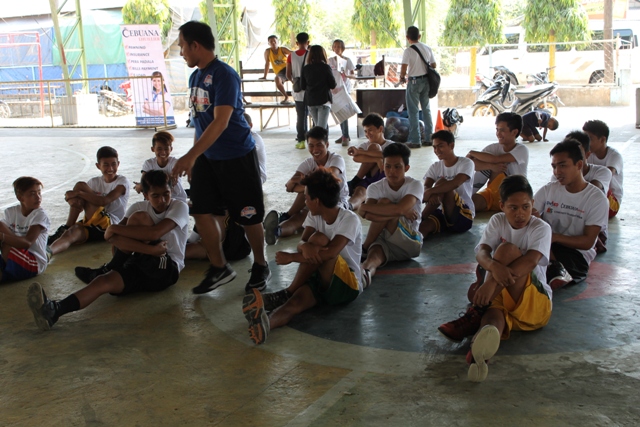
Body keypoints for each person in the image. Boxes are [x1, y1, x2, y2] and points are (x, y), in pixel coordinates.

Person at [172, 21, 270, 294]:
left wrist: (190, 155)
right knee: (200, 211)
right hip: (207, 157)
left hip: (236, 156)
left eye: (182, 46)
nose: (181, 52)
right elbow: (200, 123)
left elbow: (221, 121)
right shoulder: (195, 78)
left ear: (195, 45)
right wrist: (195, 157)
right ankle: (219, 267)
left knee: (249, 215)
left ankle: (261, 264)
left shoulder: (225, 75)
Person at [28, 170, 189, 330]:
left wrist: (113, 228)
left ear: (171, 191)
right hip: (142, 260)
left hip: (166, 267)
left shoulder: (179, 206)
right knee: (103, 281)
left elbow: (154, 233)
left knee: (139, 218)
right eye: (156, 196)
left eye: (166, 194)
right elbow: (113, 240)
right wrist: (150, 250)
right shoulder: (138, 206)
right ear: (146, 195)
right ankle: (54, 310)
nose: (162, 200)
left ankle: (111, 266)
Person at [438, 175, 553, 382]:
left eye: (526, 207)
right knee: (492, 321)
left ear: (533, 204)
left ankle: (476, 311)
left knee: (506, 250)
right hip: (503, 297)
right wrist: (493, 267)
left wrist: (490, 282)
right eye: (513, 208)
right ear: (501, 206)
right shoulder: (497, 220)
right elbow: (481, 253)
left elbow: (530, 262)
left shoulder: (541, 228)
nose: (520, 214)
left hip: (536, 305)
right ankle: (479, 355)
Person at [242, 169, 363, 345]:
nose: (305, 202)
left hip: (347, 284)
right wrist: (304, 246)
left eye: (306, 198)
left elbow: (330, 253)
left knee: (319, 239)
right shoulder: (315, 215)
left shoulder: (349, 219)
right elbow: (302, 243)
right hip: (320, 276)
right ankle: (266, 323)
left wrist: (292, 258)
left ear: (317, 201)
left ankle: (288, 291)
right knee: (295, 303)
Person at [533, 139, 609, 288]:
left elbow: (587, 242)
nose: (557, 172)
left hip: (575, 255)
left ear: (579, 165)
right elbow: (528, 214)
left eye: (562, 165)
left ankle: (551, 268)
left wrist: (554, 237)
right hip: (546, 245)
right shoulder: (548, 190)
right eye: (554, 166)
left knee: (531, 268)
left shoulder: (596, 198)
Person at [264, 126, 349, 245]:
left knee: (306, 196)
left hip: (335, 203)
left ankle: (286, 216)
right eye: (311, 145)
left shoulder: (336, 159)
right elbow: (289, 186)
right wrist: (299, 182)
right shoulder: (308, 163)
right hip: (315, 201)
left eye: (319, 145)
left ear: (327, 144)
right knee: (300, 216)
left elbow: (329, 179)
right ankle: (276, 231)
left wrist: (303, 182)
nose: (315, 149)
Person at [358, 143, 423, 286]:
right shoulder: (375, 187)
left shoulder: (414, 185)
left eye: (397, 167)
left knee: (384, 202)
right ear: (382, 166)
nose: (392, 171)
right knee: (373, 257)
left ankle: (365, 247)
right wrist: (400, 211)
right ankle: (363, 275)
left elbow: (397, 209)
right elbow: (367, 215)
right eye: (388, 166)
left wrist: (398, 210)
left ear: (406, 168)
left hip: (409, 241)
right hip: (383, 238)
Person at [48, 146, 130, 256]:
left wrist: (78, 193)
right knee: (71, 233)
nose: (110, 168)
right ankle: (47, 253)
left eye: (113, 164)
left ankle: (67, 225)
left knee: (80, 186)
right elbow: (78, 203)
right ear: (98, 166)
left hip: (110, 225)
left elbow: (104, 201)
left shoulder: (122, 182)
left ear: (118, 164)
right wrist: (72, 199)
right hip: (93, 226)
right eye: (106, 165)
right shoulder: (94, 182)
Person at [468, 112, 527, 212]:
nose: (498, 134)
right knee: (466, 204)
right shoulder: (492, 148)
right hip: (492, 194)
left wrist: (472, 152)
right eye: (497, 130)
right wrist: (490, 166)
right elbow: (471, 164)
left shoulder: (522, 150)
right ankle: (466, 193)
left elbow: (496, 159)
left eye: (502, 130)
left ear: (514, 132)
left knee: (493, 164)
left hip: (514, 194)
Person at [420, 130, 475, 237]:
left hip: (462, 215)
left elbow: (456, 183)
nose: (437, 150)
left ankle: (421, 217)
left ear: (451, 145)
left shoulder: (466, 163)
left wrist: (431, 191)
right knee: (423, 228)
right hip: (441, 211)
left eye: (440, 146)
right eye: (434, 147)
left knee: (442, 182)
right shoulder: (435, 166)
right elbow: (426, 186)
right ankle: (412, 239)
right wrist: (431, 192)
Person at [0, 177, 50, 282]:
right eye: (32, 194)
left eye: (39, 193)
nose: (38, 197)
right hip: (15, 254)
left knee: (6, 242)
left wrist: (3, 237)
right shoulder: (11, 212)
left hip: (33, 262)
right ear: (20, 198)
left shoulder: (40, 215)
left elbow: (27, 243)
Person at [346, 113, 395, 211]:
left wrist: (361, 152)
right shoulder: (365, 145)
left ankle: (356, 180)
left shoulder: (391, 145)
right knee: (360, 192)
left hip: (385, 180)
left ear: (380, 129)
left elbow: (386, 155)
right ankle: (347, 207)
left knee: (374, 147)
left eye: (370, 130)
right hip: (370, 179)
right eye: (365, 131)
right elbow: (356, 158)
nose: (367, 134)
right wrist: (376, 160)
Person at [398, 25, 437, 148]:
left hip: (414, 83)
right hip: (426, 82)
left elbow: (404, 67)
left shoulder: (408, 51)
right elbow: (434, 65)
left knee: (413, 111)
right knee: (426, 109)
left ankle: (415, 140)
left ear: (407, 37)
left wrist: (402, 77)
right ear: (419, 36)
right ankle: (429, 138)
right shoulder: (427, 48)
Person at [583, 120, 623, 218]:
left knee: (597, 184)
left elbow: (606, 176)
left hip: (611, 203)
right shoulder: (588, 154)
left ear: (602, 140)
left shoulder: (614, 156)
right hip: (592, 195)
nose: (586, 143)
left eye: (589, 139)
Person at [134, 131, 188, 203]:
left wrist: (142, 185)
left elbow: (172, 181)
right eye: (159, 149)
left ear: (171, 149)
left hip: (176, 199)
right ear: (153, 149)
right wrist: (141, 185)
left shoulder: (175, 163)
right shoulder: (148, 163)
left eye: (166, 149)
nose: (163, 152)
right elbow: (144, 182)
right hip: (155, 199)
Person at [301, 45, 336, 130]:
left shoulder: (306, 68)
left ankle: (318, 138)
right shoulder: (326, 67)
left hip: (311, 100)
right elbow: (333, 85)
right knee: (321, 129)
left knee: (317, 127)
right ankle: (320, 139)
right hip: (323, 100)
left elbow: (303, 86)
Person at [328, 39, 355, 146]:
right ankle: (344, 134)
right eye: (335, 46)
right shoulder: (330, 61)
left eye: (339, 46)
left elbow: (353, 74)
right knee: (338, 111)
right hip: (334, 89)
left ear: (343, 48)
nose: (337, 48)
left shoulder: (347, 60)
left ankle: (345, 135)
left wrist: (346, 75)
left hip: (344, 89)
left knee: (344, 112)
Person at [287, 32, 310, 149]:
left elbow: (288, 74)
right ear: (308, 42)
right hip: (310, 90)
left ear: (296, 43)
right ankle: (313, 138)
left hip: (297, 91)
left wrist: (295, 83)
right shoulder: (311, 54)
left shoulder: (291, 56)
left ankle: (301, 140)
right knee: (313, 115)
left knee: (301, 116)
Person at [260, 35, 292, 104]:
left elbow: (293, 54)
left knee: (297, 79)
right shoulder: (268, 51)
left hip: (288, 68)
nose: (273, 43)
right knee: (277, 79)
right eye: (271, 41)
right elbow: (267, 64)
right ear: (268, 43)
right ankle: (286, 97)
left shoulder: (282, 49)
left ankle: (300, 97)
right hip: (280, 72)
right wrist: (265, 76)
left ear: (278, 41)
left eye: (274, 41)